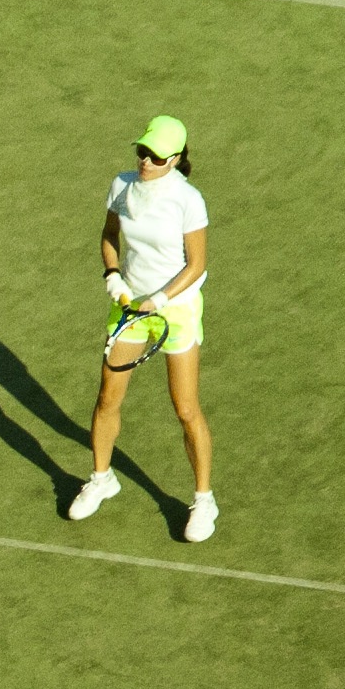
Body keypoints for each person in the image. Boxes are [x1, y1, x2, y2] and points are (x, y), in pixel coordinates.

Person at [68, 115, 216, 541]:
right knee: (106, 399)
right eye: (142, 151)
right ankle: (102, 479)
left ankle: (204, 500)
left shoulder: (189, 200)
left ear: (174, 159)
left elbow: (197, 264)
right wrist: (112, 274)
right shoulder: (122, 185)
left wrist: (162, 299)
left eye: (154, 155)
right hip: (131, 307)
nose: (145, 160)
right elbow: (110, 234)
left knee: (185, 409)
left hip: (176, 310)